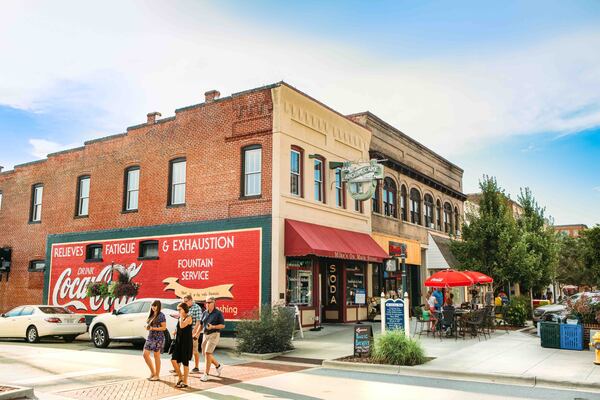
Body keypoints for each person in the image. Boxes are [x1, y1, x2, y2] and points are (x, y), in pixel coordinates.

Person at [200, 296, 225, 382]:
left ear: (214, 302)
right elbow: (201, 324)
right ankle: (218, 366)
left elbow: (222, 325)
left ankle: (206, 374)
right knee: (206, 354)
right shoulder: (204, 313)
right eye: (206, 302)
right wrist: (195, 334)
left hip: (214, 334)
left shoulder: (218, 313)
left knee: (207, 353)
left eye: (209, 302)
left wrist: (213, 326)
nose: (207, 304)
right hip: (205, 334)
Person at [171, 302, 193, 389]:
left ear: (184, 309)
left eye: (180, 309)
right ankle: (180, 377)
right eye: (178, 310)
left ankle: (185, 381)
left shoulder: (189, 317)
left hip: (186, 343)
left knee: (185, 362)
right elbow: (178, 327)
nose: (178, 311)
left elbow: (182, 325)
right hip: (178, 342)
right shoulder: (180, 317)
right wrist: (175, 331)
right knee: (173, 360)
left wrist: (180, 317)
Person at [143, 300, 167, 381]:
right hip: (150, 336)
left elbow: (164, 328)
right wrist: (147, 326)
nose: (153, 307)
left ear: (158, 306)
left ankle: (157, 375)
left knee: (156, 356)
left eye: (155, 305)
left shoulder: (161, 315)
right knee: (145, 354)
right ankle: (153, 372)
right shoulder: (151, 314)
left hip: (158, 337)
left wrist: (153, 328)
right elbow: (148, 324)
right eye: (152, 305)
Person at [184, 295, 203, 373]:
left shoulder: (197, 308)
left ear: (191, 300)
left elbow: (198, 322)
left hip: (193, 332)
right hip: (185, 331)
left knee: (194, 350)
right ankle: (183, 367)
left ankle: (196, 367)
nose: (184, 303)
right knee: (185, 350)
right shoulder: (186, 308)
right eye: (184, 301)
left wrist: (194, 332)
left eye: (186, 301)